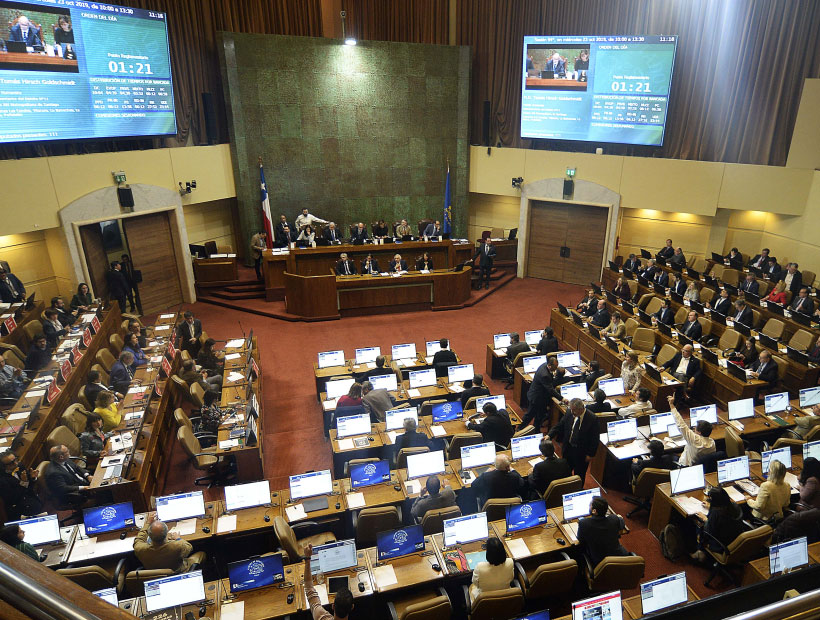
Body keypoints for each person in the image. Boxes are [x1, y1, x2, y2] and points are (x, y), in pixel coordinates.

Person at [134, 514, 206, 574]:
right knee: (201, 554)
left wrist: (147, 523)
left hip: (155, 577)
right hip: (179, 572)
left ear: (149, 535)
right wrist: (178, 539)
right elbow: (189, 548)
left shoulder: (140, 549)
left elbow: (139, 539)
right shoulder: (177, 546)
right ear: (166, 534)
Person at [548, 399, 599, 482]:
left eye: (573, 410)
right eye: (571, 409)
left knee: (579, 475)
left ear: (581, 409)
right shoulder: (569, 413)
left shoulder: (592, 419)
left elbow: (595, 439)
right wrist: (549, 435)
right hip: (568, 449)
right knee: (565, 472)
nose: (571, 412)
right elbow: (559, 425)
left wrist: (590, 454)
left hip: (582, 453)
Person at [304, 543, 354, 620]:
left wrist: (307, 559)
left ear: (333, 606)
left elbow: (309, 588)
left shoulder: (320, 617)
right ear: (352, 607)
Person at [692, 487, 743, 561]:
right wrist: (710, 507)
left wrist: (705, 519)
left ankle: (700, 552)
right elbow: (725, 516)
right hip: (734, 539)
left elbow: (709, 530)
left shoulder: (716, 513)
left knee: (698, 524)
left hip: (720, 544)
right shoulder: (734, 505)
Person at [577, 497, 628, 566]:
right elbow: (621, 523)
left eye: (590, 505)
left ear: (594, 511)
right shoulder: (614, 519)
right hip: (620, 558)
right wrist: (618, 518)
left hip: (600, 564)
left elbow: (580, 539)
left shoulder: (584, 523)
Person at [668, 395, 715, 466]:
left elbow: (681, 424)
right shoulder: (712, 443)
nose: (694, 429)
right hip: (701, 467)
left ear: (699, 432)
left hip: (685, 466)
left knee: (669, 456)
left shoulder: (695, 440)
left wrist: (671, 405)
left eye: (695, 428)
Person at [522, 356, 563, 431]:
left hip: (541, 397)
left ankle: (536, 430)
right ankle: (520, 429)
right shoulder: (545, 375)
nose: (556, 368)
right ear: (550, 366)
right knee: (530, 415)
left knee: (539, 416)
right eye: (555, 366)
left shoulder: (544, 365)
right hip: (537, 398)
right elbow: (550, 389)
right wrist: (562, 398)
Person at [468, 537, 514, 603]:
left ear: (488, 553)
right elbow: (511, 578)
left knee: (471, 587)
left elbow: (475, 583)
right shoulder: (510, 562)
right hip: (505, 598)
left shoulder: (480, 567)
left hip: (484, 601)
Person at [0, 450, 42, 520]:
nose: (16, 463)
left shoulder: (20, 466)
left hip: (30, 499)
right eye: (11, 463)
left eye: (15, 459)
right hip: (18, 508)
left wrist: (32, 478)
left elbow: (28, 486)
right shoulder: (2, 480)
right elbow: (12, 499)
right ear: (3, 466)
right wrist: (23, 482)